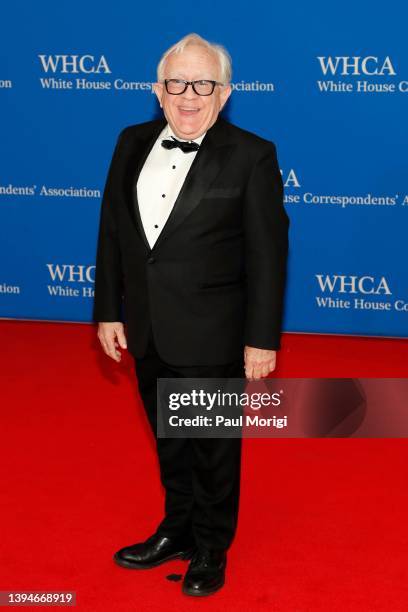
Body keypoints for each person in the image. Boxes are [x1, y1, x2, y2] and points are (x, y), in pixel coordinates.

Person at [93, 32, 289, 597]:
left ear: (224, 94)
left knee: (212, 447)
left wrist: (261, 338)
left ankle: (210, 545)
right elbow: (112, 232)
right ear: (158, 90)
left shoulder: (253, 154)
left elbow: (269, 254)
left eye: (203, 84)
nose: (188, 96)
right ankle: (176, 530)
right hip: (150, 328)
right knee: (168, 439)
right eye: (177, 83)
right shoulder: (130, 142)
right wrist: (109, 310)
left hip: (214, 334)